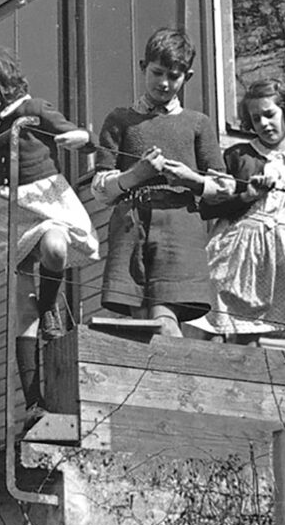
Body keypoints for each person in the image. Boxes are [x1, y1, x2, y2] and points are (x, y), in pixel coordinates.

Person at [0, 46, 99, 421]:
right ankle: (34, 400)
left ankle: (50, 302)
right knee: (23, 306)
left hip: (44, 199)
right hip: (11, 206)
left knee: (55, 245)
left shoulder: (31, 108)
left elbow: (73, 131)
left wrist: (78, 137)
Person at [92, 28, 230, 337]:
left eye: (174, 75)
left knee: (164, 318)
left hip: (179, 225)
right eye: (157, 72)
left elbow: (225, 187)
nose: (164, 83)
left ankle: (182, 382)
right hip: (132, 225)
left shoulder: (197, 123)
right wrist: (135, 175)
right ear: (143, 67)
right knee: (142, 322)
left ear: (187, 76)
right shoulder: (120, 119)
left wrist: (191, 179)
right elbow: (100, 188)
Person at [202, 79, 285, 343]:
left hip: (276, 249)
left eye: (270, 115)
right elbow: (209, 206)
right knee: (220, 321)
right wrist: (247, 195)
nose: (264, 124)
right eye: (256, 119)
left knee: (254, 326)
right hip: (237, 246)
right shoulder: (239, 155)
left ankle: (244, 379)